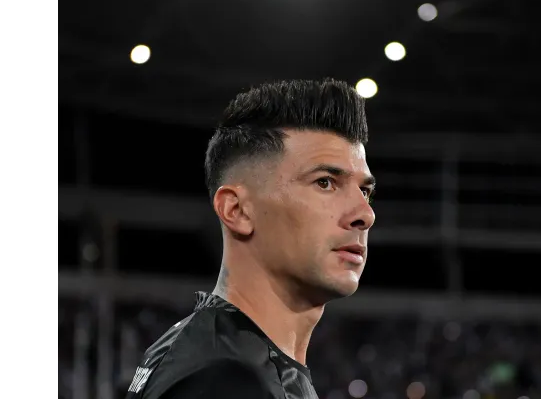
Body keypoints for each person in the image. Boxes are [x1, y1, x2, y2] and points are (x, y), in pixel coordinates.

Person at [125, 78, 377, 398]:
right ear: (237, 211)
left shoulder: (226, 355)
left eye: (365, 191)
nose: (365, 214)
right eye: (325, 182)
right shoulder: (223, 379)